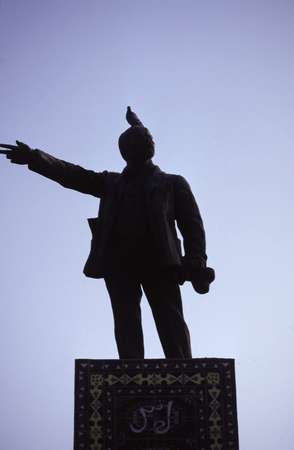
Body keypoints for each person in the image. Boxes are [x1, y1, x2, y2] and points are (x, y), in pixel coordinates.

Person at [0, 107, 214, 359]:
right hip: (119, 261)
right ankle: (129, 371)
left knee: (170, 318)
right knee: (125, 320)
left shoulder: (172, 183)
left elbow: (192, 226)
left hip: (161, 260)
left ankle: (182, 369)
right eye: (137, 143)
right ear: (125, 152)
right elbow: (72, 175)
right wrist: (35, 158)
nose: (145, 145)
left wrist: (195, 260)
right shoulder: (111, 183)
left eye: (146, 141)